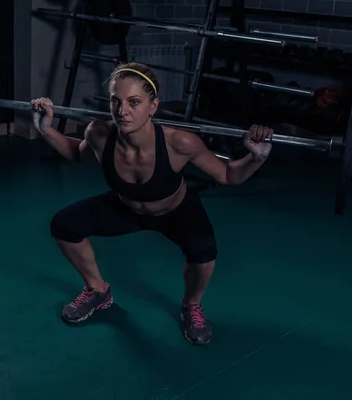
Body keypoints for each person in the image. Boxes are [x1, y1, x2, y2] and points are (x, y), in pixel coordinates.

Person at [31, 62, 273, 346]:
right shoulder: (98, 133)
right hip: (127, 208)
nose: (122, 111)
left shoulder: (180, 143)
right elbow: (77, 153)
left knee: (204, 251)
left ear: (153, 105)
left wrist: (257, 158)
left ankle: (192, 305)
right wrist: (45, 129)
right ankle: (98, 291)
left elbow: (229, 174)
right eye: (115, 101)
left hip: (175, 211)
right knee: (64, 225)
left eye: (134, 102)